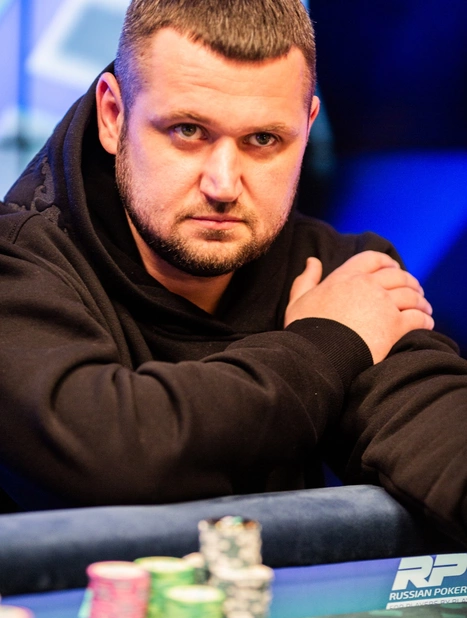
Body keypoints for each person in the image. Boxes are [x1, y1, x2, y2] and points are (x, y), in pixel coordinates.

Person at [0, 0, 465, 545]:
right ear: (113, 116)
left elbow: (440, 435)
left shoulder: (341, 276)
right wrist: (328, 342)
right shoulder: (18, 266)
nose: (223, 185)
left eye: (263, 140)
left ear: (307, 125)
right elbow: (115, 457)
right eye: (188, 130)